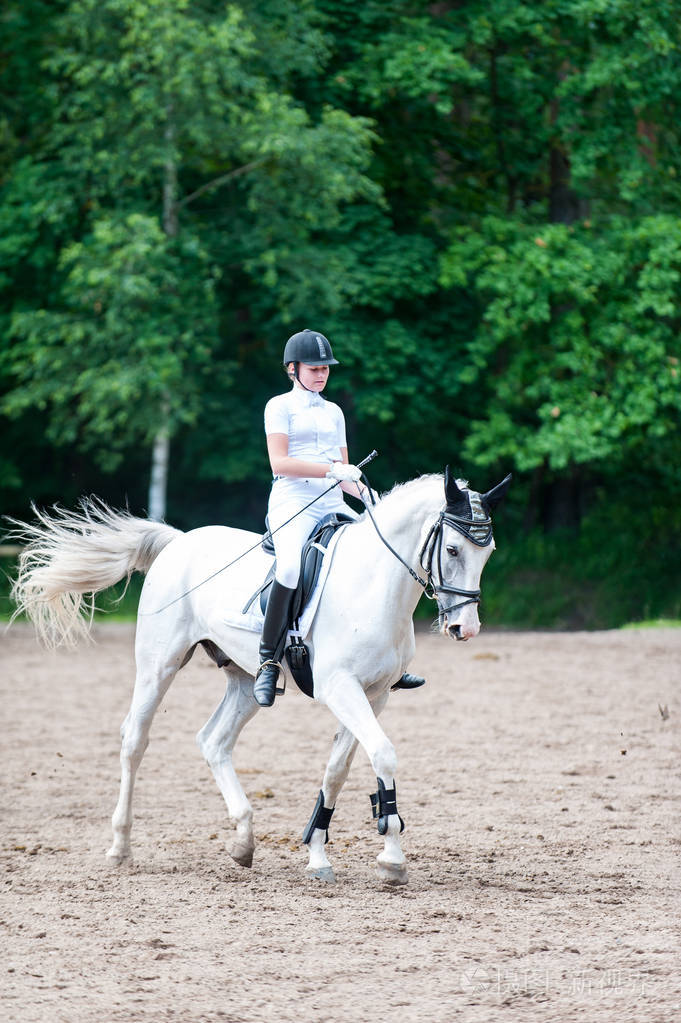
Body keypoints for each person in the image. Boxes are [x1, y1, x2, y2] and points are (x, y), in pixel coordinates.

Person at [254, 328, 425, 707]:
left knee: (380, 554)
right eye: (313, 368)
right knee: (288, 569)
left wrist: (365, 494)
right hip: (292, 499)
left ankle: (391, 661)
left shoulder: (333, 412)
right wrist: (331, 472)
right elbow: (279, 462)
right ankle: (268, 660)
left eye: (325, 369)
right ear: (293, 368)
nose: (321, 374)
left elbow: (344, 469)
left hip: (331, 501)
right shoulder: (278, 406)